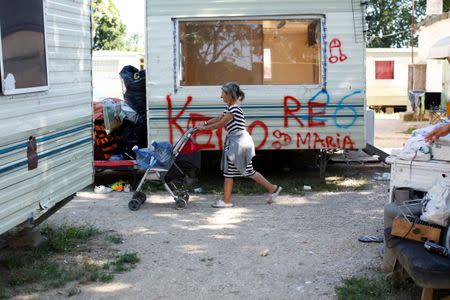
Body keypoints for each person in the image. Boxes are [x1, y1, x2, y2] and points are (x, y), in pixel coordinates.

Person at [196, 82, 282, 208]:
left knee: (238, 172)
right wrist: (203, 123)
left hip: (239, 143)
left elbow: (220, 124)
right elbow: (218, 118)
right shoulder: (230, 108)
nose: (221, 97)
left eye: (223, 94)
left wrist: (203, 129)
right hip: (238, 142)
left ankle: (227, 201)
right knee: (241, 171)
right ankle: (273, 189)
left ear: (230, 95)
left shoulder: (234, 109)